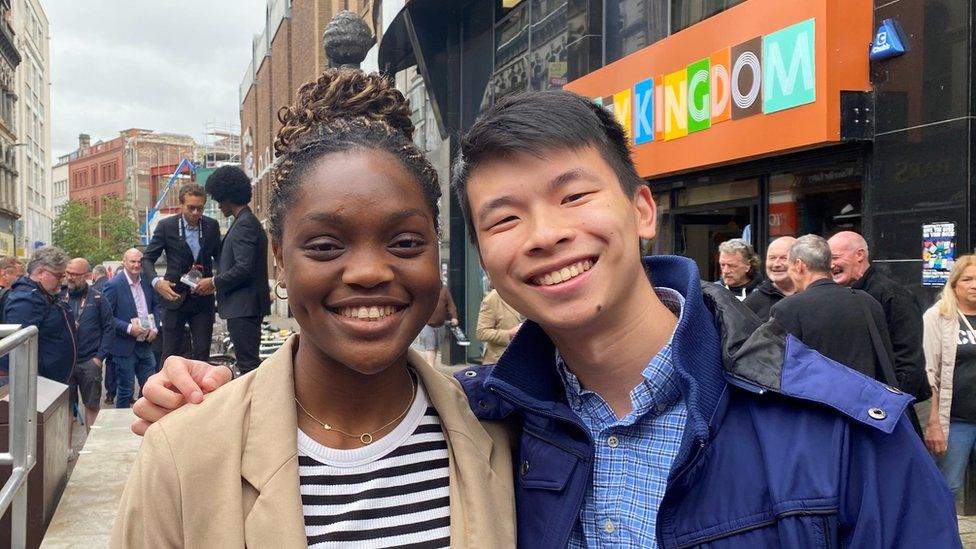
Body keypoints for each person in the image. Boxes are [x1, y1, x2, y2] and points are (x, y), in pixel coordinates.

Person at [133, 90, 959, 546]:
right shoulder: (503, 417)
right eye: (504, 217)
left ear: (641, 208)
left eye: (573, 195)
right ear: (486, 258)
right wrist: (200, 405)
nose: (548, 234)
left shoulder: (847, 436)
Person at [110, 68, 515, 548]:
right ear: (280, 259)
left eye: (405, 242)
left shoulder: (505, 434)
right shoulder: (183, 453)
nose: (368, 272)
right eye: (325, 246)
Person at [771, 235, 897, 383]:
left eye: (789, 267)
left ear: (799, 265)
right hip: (866, 402)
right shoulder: (867, 301)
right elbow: (886, 361)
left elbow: (781, 372)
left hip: (817, 402)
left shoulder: (787, 309)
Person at [829, 230, 929, 400]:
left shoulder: (892, 295)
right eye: (827, 259)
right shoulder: (835, 295)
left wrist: (894, 402)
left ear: (859, 255)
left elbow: (908, 357)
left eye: (835, 257)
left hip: (896, 402)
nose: (830, 265)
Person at [141, 183, 221, 362]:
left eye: (199, 208)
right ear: (181, 205)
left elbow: (222, 259)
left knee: (201, 355)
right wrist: (157, 283)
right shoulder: (166, 226)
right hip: (174, 296)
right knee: (170, 354)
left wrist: (215, 281)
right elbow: (147, 259)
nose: (195, 213)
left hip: (202, 298)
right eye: (191, 208)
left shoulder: (211, 226)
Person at [204, 165, 271, 375]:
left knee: (248, 365)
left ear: (226, 196)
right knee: (247, 362)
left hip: (244, 308)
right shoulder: (244, 222)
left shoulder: (244, 225)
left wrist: (213, 282)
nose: (218, 204)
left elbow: (244, 267)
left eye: (218, 198)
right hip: (244, 307)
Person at [922, 255, 976, 496]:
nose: (974, 285)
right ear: (954, 283)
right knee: (947, 486)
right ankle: (940, 534)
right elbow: (929, 373)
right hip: (956, 420)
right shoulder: (937, 316)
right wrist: (933, 423)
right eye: (968, 279)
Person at [3, 246, 76, 383]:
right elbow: (21, 351)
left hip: (52, 382)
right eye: (58, 275)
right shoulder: (26, 300)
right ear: (40, 272)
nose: (62, 280)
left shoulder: (45, 295)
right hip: (40, 385)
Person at [103, 249, 160, 409]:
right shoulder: (113, 285)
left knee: (151, 388)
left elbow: (156, 306)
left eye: (139, 262)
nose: (136, 265)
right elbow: (107, 317)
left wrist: (154, 328)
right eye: (132, 261)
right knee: (126, 390)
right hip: (124, 346)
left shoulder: (147, 282)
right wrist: (129, 328)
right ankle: (123, 428)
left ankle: (146, 421)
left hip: (146, 343)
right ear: (124, 262)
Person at [64, 258, 113, 433]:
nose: (70, 277)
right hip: (65, 364)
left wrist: (99, 358)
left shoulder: (98, 297)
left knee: (92, 406)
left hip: (89, 362)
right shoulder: (60, 296)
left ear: (86, 275)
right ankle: (66, 451)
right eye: (68, 273)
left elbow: (109, 328)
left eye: (75, 275)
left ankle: (92, 450)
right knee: (66, 409)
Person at [743, 236, 796, 321]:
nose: (776, 264)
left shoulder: (812, 296)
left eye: (783, 258)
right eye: (772, 258)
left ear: (799, 262)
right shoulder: (752, 303)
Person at [476, 288, 521, 364]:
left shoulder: (533, 293)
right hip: (501, 362)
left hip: (530, 361)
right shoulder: (493, 299)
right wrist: (509, 334)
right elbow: (481, 333)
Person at [420, 284, 458, 366]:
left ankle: (430, 366)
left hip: (440, 325)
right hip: (427, 324)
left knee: (435, 348)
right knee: (430, 348)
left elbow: (450, 304)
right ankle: (430, 368)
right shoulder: (425, 289)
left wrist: (454, 317)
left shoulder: (444, 289)